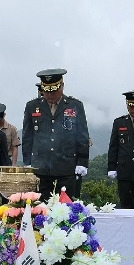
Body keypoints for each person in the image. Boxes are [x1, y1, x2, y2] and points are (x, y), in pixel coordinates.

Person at [22, 68, 90, 201]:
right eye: (47, 91)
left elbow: (82, 136)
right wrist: (27, 163)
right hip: (40, 170)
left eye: (54, 90)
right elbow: (27, 137)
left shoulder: (75, 105)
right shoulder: (32, 106)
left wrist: (82, 162)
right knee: (40, 210)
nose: (50, 95)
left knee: (67, 211)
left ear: (62, 86)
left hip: (66, 168)